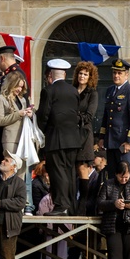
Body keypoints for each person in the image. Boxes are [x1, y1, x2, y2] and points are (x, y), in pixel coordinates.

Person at [36, 59, 82, 216]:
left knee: (57, 172)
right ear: (64, 74)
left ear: (50, 74)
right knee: (69, 172)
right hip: (73, 140)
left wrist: (38, 130)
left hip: (56, 139)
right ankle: (71, 206)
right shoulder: (73, 91)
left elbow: (43, 116)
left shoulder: (48, 91)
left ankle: (61, 206)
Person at [99, 58, 130, 176]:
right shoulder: (109, 91)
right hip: (110, 141)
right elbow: (106, 116)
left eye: (119, 73)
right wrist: (102, 137)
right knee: (113, 175)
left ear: (126, 75)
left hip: (123, 142)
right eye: (114, 72)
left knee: (126, 174)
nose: (116, 75)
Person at [0, 73, 33, 178]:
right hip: (10, 139)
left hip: (23, 139)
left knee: (22, 172)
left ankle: (19, 193)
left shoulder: (22, 100)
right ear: (11, 84)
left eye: (21, 86)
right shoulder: (1, 98)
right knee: (11, 170)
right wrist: (18, 114)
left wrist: (30, 114)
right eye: (18, 86)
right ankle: (9, 194)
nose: (20, 89)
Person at [73, 60, 100, 171]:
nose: (82, 76)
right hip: (71, 133)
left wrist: (73, 117)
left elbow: (89, 116)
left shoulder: (92, 94)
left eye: (85, 74)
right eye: (80, 73)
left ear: (90, 77)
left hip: (84, 133)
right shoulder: (72, 91)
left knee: (82, 168)